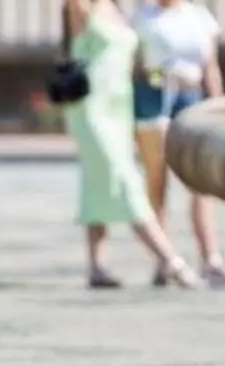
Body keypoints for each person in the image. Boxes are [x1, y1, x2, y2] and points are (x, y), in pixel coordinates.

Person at [61, 0, 202, 289]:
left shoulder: (121, 10)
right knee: (125, 180)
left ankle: (97, 267)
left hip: (120, 108)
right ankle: (171, 260)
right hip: (92, 108)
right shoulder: (82, 7)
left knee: (97, 182)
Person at [131, 0, 225, 289]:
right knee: (157, 178)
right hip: (155, 94)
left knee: (199, 183)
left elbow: (210, 67)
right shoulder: (144, 18)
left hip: (191, 94)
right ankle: (164, 259)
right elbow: (132, 66)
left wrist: (218, 108)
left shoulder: (200, 17)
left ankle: (210, 258)